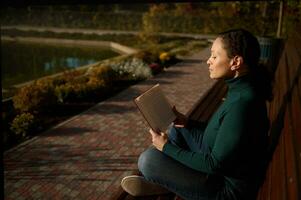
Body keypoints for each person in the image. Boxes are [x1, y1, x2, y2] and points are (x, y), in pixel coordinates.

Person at [121, 29, 272, 200]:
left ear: (236, 62)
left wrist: (166, 147)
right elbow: (227, 133)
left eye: (214, 56)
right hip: (221, 162)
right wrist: (189, 122)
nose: (208, 61)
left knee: (148, 160)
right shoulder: (242, 89)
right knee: (178, 127)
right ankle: (170, 180)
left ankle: (167, 182)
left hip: (225, 189)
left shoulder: (242, 104)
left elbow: (214, 165)